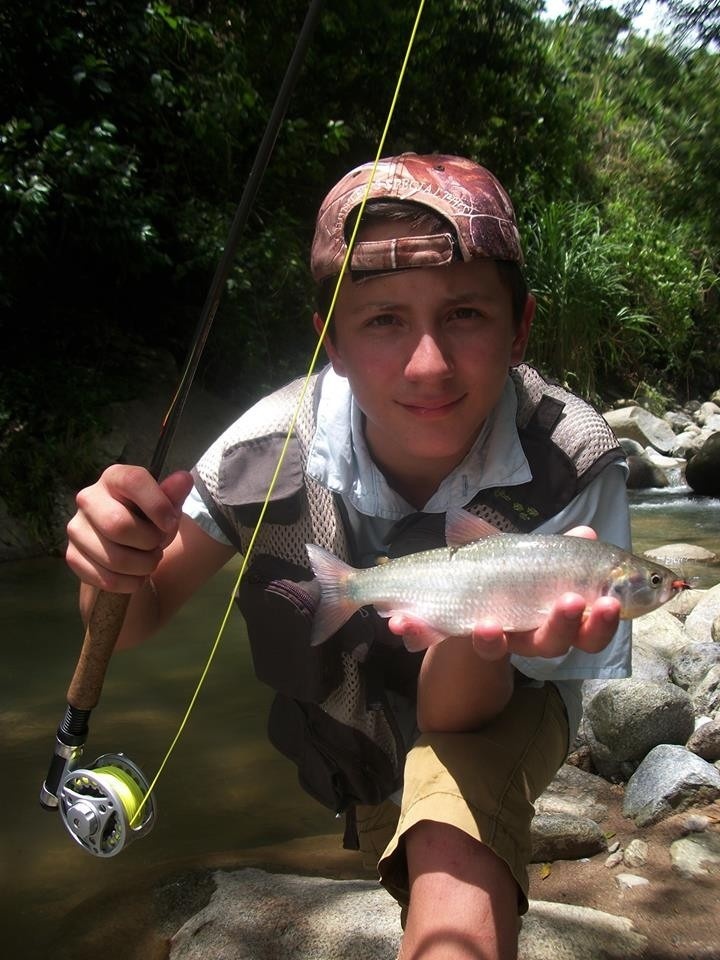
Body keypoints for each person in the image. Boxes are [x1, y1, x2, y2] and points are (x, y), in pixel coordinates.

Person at [66, 153, 631, 960]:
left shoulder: (572, 460)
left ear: (522, 327)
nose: (428, 363)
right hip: (347, 732)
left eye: (466, 314)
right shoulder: (265, 447)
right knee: (394, 835)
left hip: (497, 696)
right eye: (382, 320)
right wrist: (108, 564)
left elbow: (457, 715)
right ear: (329, 341)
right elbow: (132, 618)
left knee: (450, 825)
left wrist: (485, 633)